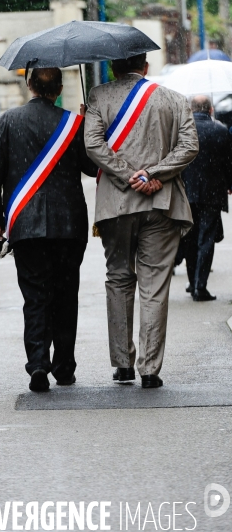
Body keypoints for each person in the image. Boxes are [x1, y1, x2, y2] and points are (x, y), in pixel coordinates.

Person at [84, 53, 199, 388]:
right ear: (145, 66)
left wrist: (127, 175)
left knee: (118, 278)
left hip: (116, 205)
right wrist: (152, 173)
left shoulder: (98, 96)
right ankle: (150, 369)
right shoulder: (174, 100)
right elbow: (189, 147)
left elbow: (93, 145)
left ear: (112, 68)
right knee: (154, 286)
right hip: (162, 202)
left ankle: (122, 364)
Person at [0, 67, 97, 392]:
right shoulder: (73, 124)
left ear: (29, 84)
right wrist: (87, 125)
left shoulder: (4, 122)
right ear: (59, 88)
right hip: (69, 225)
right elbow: (91, 168)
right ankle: (64, 366)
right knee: (65, 296)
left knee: (35, 298)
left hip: (26, 226)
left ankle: (37, 364)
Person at [181, 95, 232, 301]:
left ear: (190, 110)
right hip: (212, 193)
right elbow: (229, 162)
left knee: (189, 239)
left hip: (186, 193)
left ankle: (192, 282)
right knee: (206, 239)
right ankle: (200, 287)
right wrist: (230, 184)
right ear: (210, 109)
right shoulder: (220, 130)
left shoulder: (182, 132)